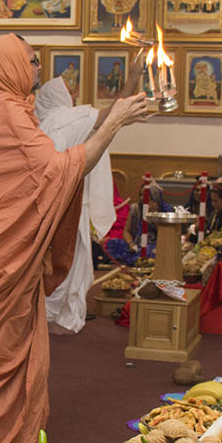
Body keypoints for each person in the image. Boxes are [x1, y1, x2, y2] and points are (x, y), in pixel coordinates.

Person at [0, 34, 148, 443]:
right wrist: (116, 125)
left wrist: (123, 107)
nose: (36, 70)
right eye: (31, 61)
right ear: (9, 65)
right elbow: (62, 170)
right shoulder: (7, 114)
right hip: (0, 263)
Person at [35, 72, 129, 335]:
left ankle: (52, 316)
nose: (73, 96)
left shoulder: (41, 125)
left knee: (55, 260)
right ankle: (57, 316)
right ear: (58, 96)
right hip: (66, 205)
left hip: (50, 206)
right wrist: (132, 78)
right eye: (68, 91)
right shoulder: (65, 120)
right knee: (67, 260)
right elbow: (111, 115)